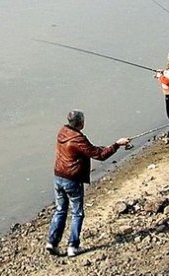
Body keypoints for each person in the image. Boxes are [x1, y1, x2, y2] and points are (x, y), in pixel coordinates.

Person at [46, 110, 130, 257]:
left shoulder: (63, 132)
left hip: (58, 177)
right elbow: (99, 155)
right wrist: (117, 144)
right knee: (77, 213)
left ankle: (52, 242)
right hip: (72, 180)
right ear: (80, 123)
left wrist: (102, 147)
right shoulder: (78, 139)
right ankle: (73, 246)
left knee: (60, 210)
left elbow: (87, 150)